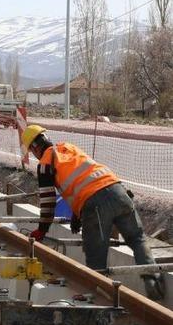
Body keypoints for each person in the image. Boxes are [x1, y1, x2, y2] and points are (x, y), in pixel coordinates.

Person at [21, 125, 165, 299]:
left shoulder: (45, 163)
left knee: (95, 251)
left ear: (35, 147)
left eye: (31, 150)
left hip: (95, 204)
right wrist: (77, 213)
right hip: (119, 192)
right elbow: (84, 179)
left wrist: (42, 230)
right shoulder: (68, 148)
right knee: (137, 238)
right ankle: (154, 282)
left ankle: (99, 296)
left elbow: (48, 202)